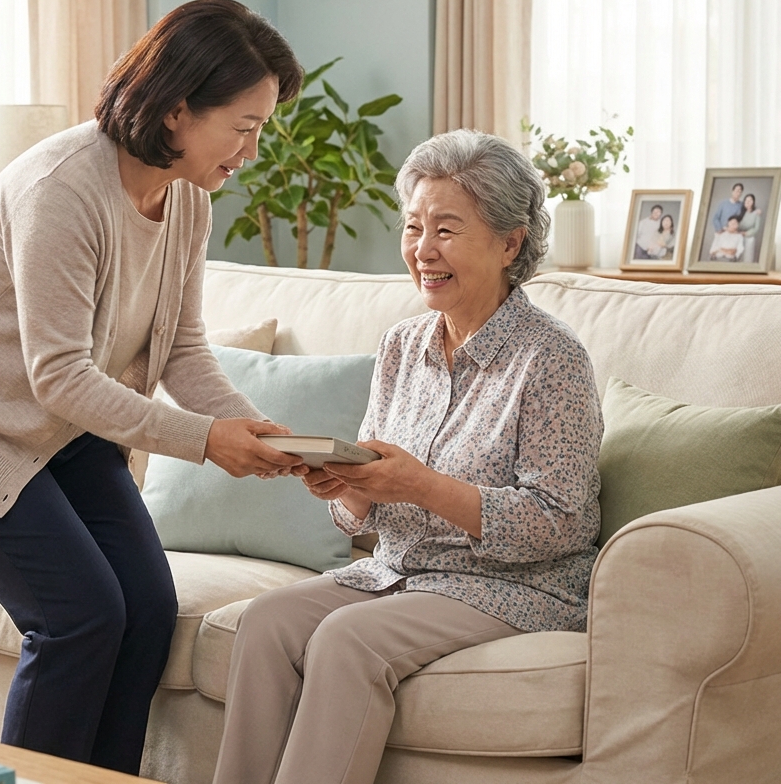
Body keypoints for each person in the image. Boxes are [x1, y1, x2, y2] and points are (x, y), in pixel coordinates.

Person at [0, 0, 305, 774]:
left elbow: (180, 347)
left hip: (64, 430)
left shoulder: (187, 201)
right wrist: (208, 441)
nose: (251, 149)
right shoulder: (62, 189)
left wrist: (264, 435)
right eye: (243, 127)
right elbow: (60, 376)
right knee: (79, 617)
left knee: (146, 610)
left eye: (261, 129)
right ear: (178, 109)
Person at [212, 130, 603, 784]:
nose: (423, 250)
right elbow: (367, 515)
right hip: (397, 570)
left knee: (346, 640)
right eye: (414, 227)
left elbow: (562, 523)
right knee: (267, 622)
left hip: (510, 587)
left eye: (447, 230)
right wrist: (348, 487)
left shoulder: (552, 361)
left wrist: (421, 486)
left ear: (510, 242)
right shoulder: (401, 346)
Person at [737, 193, 762, 264]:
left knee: (747, 258)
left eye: (750, 200)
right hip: (738, 236)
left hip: (749, 237)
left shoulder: (756, 213)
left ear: (753, 202)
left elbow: (756, 228)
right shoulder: (740, 212)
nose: (748, 202)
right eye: (746, 200)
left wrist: (746, 233)